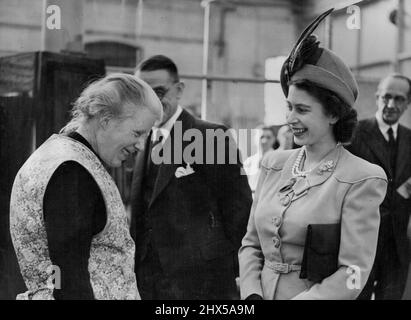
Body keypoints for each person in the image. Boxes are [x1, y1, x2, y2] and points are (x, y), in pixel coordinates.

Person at [239, 9, 388, 300]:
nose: (290, 119)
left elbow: (354, 272)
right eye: (289, 107)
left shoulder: (362, 178)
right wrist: (252, 294)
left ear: (333, 113)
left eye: (303, 110)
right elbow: (251, 245)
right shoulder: (273, 163)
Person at [9, 73, 163, 300]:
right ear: (106, 120)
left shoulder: (62, 158)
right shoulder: (71, 172)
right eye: (137, 133)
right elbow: (69, 278)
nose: (141, 145)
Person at [130, 55, 252, 299]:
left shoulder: (211, 136)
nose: (152, 102)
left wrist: (230, 273)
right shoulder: (140, 140)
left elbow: (239, 210)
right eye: (143, 95)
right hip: (149, 281)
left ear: (179, 91)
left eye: (159, 92)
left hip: (201, 283)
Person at [347, 74, 411, 300]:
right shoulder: (354, 134)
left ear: (407, 103)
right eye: (386, 97)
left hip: (396, 248)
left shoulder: (409, 139)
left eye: (399, 99)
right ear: (377, 98)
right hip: (358, 245)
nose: (391, 105)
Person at [244, 125, 278, 193]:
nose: (264, 141)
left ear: (274, 139)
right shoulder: (248, 161)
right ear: (255, 138)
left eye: (268, 137)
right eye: (261, 137)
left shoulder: (278, 160)